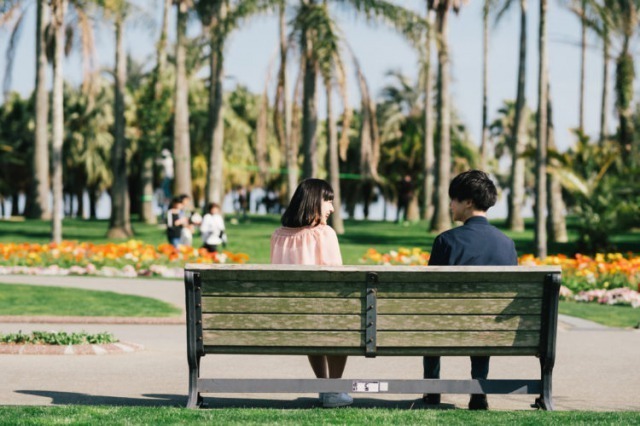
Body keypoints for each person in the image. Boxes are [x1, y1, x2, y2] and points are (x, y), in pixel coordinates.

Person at [423, 170, 517, 411]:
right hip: (493, 330)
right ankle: (479, 389)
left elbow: (428, 294)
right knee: (484, 315)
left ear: (468, 202)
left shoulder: (446, 241)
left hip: (447, 326)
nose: (450, 205)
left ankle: (432, 390)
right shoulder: (507, 243)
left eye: (453, 199)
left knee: (431, 316)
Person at [270, 178, 353, 408]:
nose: (332, 208)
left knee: (313, 325)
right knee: (341, 325)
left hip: (292, 317)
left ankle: (324, 388)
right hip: (322, 315)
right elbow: (338, 280)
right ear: (314, 201)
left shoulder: (278, 235)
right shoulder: (323, 234)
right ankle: (333, 390)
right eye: (328, 201)